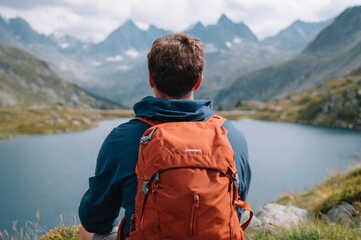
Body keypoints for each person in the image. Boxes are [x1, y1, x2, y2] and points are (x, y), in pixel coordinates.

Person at [78, 33, 251, 240]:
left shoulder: (122, 138)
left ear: (151, 78)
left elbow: (95, 219)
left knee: (86, 230)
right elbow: (236, 209)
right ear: (198, 81)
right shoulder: (230, 135)